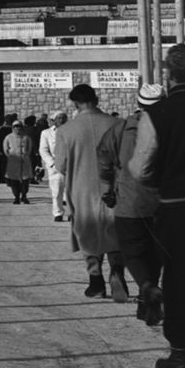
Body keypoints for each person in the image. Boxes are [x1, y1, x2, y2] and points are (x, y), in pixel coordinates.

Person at [130, 44, 185, 368]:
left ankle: (180, 356)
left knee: (181, 282)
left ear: (169, 75)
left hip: (180, 208)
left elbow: (140, 169)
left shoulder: (156, 115)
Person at [56, 84, 127, 302]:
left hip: (82, 189)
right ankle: (117, 271)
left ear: (75, 103)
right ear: (96, 100)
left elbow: (60, 165)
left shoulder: (66, 131)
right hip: (114, 190)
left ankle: (96, 281)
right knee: (115, 231)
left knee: (87, 232)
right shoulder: (118, 124)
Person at [101, 85, 164, 326]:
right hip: (161, 202)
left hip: (128, 201)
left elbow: (104, 159)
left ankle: (146, 287)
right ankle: (146, 302)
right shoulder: (170, 127)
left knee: (132, 251)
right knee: (155, 254)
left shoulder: (119, 128)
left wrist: (107, 189)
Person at [41, 110, 69, 221]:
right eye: (59, 118)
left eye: (64, 117)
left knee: (71, 192)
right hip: (55, 167)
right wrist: (52, 164)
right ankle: (58, 213)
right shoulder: (46, 133)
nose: (62, 120)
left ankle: (71, 213)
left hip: (70, 166)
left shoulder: (71, 132)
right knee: (57, 192)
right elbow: (43, 150)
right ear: (54, 120)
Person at [1, 114, 34, 204]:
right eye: (15, 127)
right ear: (12, 127)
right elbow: (5, 149)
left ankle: (24, 195)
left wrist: (25, 156)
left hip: (24, 162)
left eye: (19, 126)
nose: (17, 128)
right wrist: (12, 157)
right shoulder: (8, 137)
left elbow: (29, 149)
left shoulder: (26, 137)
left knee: (25, 181)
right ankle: (16, 197)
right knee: (14, 181)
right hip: (13, 162)